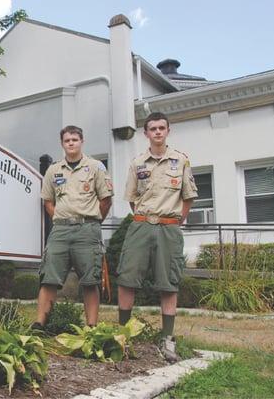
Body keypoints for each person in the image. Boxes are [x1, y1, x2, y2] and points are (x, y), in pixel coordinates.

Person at [116, 112, 197, 362]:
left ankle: (167, 339)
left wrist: (176, 219)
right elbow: (131, 199)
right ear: (146, 133)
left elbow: (188, 196)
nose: (158, 132)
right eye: (153, 128)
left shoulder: (181, 161)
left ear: (168, 131)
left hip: (168, 228)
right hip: (141, 225)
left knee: (168, 282)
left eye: (162, 128)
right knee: (127, 278)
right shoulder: (137, 163)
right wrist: (146, 218)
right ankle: (123, 336)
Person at [32, 125, 113, 330]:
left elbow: (105, 200)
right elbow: (47, 201)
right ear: (62, 143)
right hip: (60, 231)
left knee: (90, 281)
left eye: (74, 140)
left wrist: (93, 222)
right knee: (48, 278)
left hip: (87, 229)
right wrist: (60, 217)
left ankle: (92, 327)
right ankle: (40, 324)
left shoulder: (96, 167)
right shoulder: (54, 170)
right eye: (67, 140)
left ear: (81, 141)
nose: (71, 143)